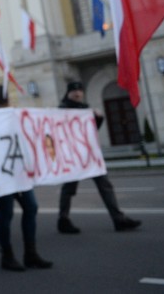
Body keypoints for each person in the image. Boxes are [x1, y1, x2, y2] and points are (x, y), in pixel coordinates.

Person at [57, 81, 142, 233]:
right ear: (68, 93)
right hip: (73, 157)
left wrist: (98, 118)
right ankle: (63, 220)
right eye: (74, 91)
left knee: (105, 186)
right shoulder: (62, 110)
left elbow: (91, 130)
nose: (77, 94)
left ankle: (118, 219)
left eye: (80, 91)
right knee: (69, 189)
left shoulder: (85, 109)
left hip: (90, 156)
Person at [0, 85, 52, 272]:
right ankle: (7, 255)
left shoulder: (11, 117)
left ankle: (31, 253)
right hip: (1, 174)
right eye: (6, 99)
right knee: (6, 213)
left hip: (18, 173)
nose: (9, 102)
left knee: (31, 207)